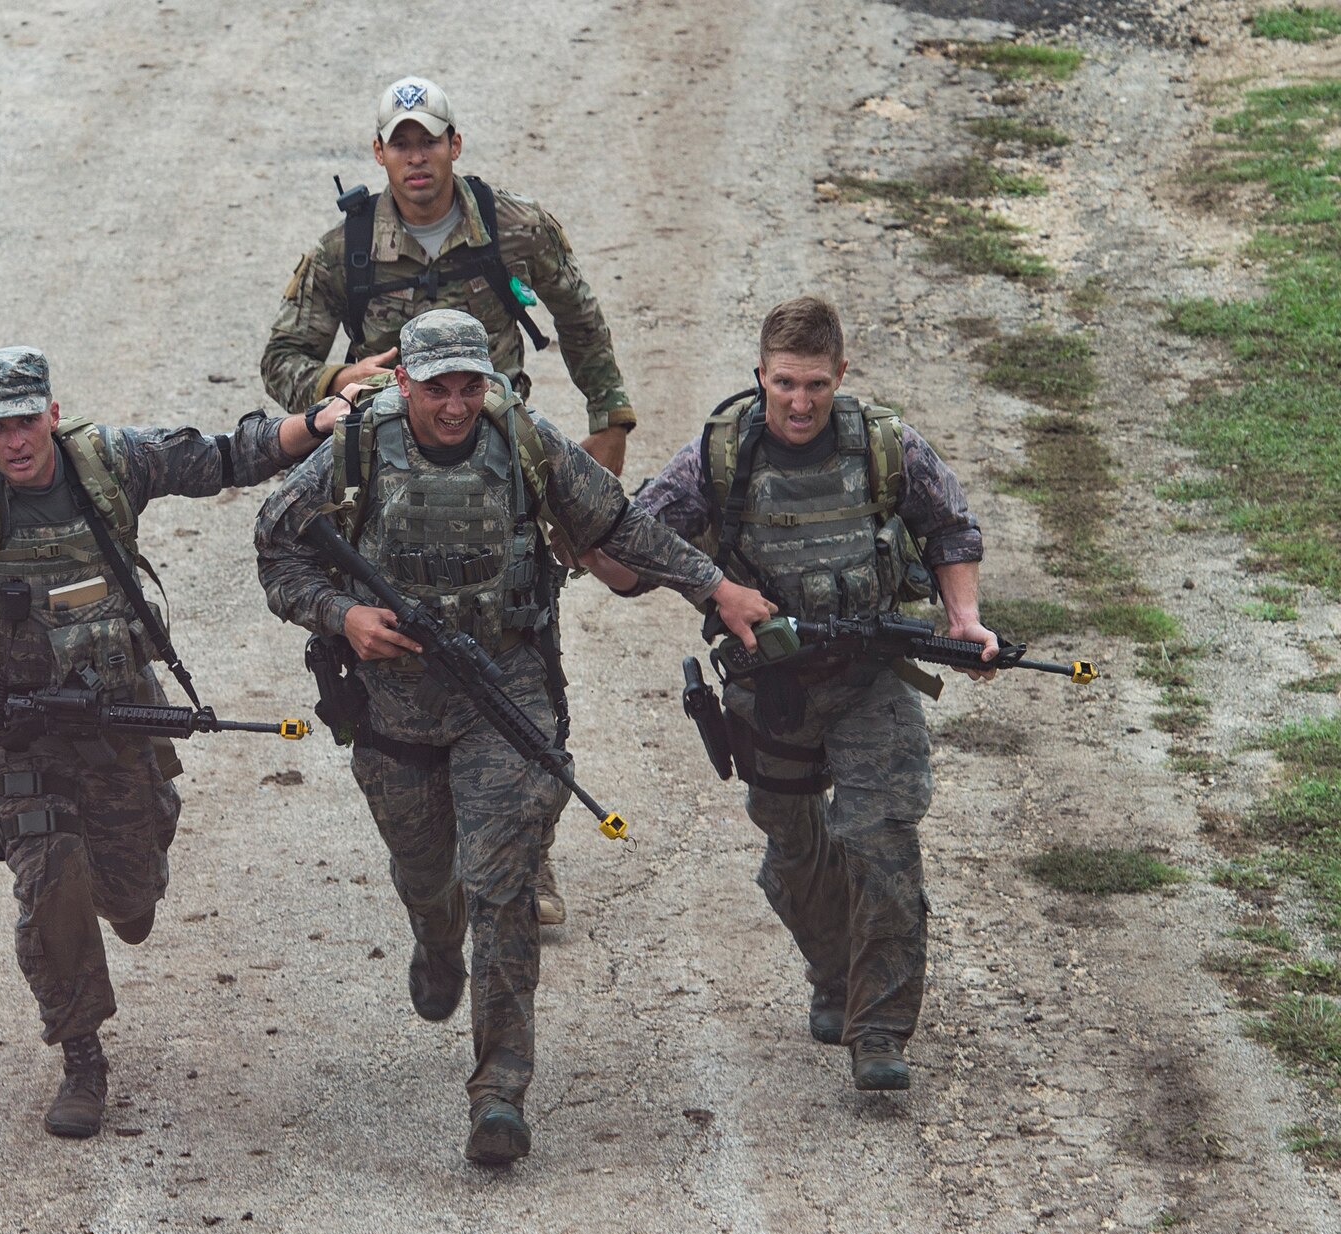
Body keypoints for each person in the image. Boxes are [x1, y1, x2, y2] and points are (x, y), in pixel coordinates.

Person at [255, 310, 772, 1163]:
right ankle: (432, 933)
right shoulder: (352, 452)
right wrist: (340, 614)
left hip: (504, 690)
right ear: (402, 384)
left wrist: (714, 587)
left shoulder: (523, 441)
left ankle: (500, 1090)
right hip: (393, 706)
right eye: (438, 389)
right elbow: (278, 549)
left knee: (502, 883)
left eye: (470, 386)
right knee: (430, 873)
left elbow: (619, 527)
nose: (456, 406)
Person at [0, 347, 360, 1141]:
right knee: (51, 875)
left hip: (120, 713)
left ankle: (129, 871)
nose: (16, 440)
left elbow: (225, 456)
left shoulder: (108, 463)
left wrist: (315, 423)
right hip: (15, 728)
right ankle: (82, 1053)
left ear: (52, 414)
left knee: (130, 898)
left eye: (27, 420)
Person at [260, 76, 643, 928]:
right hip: (392, 481)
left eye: (428, 140)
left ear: (455, 145)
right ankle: (424, 836)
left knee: (523, 635)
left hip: (502, 465)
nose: (416, 157)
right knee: (398, 655)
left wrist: (609, 418)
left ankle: (527, 847)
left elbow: (581, 318)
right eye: (400, 143)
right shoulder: (344, 251)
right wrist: (336, 380)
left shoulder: (515, 228)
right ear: (380, 154)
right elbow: (282, 359)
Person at [587, 295, 995, 1092]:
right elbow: (635, 551)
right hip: (768, 686)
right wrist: (590, 538)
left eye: (816, 384)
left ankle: (879, 1029)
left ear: (841, 374)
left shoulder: (885, 445)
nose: (801, 402)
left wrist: (965, 617)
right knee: (795, 844)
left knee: (881, 838)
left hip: (871, 676)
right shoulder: (718, 456)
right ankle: (834, 969)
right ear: (760, 377)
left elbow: (951, 526)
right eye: (784, 385)